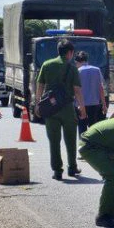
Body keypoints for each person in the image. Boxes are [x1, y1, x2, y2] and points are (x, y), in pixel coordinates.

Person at [35, 39, 87, 180]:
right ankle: (72, 168)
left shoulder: (47, 65)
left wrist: (37, 104)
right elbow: (77, 90)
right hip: (67, 108)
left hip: (50, 109)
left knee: (54, 141)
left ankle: (57, 171)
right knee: (70, 140)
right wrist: (82, 109)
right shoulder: (72, 68)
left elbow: (39, 85)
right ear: (70, 53)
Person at [74, 51, 107, 135]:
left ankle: (83, 145)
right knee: (93, 128)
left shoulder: (77, 72)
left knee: (82, 127)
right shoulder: (97, 70)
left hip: (81, 105)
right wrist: (104, 104)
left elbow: (76, 90)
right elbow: (101, 88)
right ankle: (92, 145)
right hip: (95, 104)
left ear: (77, 62)